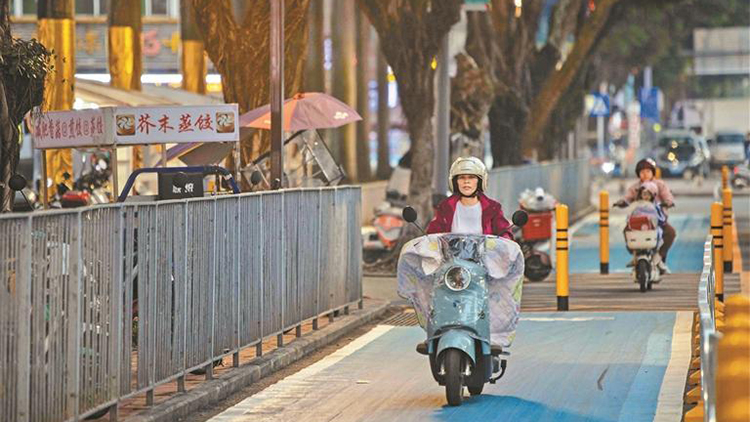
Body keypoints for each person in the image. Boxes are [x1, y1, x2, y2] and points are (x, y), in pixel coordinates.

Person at [426, 156, 513, 240]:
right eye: (461, 177)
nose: (466, 181)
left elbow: (505, 234)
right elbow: (432, 235)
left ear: (480, 181)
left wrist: (504, 241)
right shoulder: (445, 207)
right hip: (451, 255)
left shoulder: (493, 208)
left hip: (485, 255)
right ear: (455, 182)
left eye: (471, 177)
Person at [614, 158, 675, 272]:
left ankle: (659, 257)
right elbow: (627, 198)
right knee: (627, 231)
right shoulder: (635, 187)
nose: (645, 174)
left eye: (648, 171)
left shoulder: (660, 185)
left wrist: (668, 202)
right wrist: (621, 202)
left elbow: (667, 196)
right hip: (638, 220)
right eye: (642, 172)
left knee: (670, 233)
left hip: (657, 221)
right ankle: (635, 255)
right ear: (638, 174)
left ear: (653, 172)